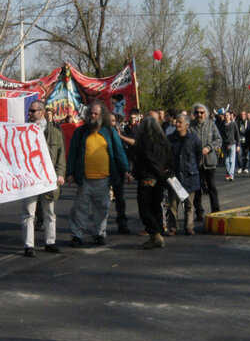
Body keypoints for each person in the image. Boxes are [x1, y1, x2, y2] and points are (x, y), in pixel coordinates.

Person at [65, 102, 130, 246]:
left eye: (96, 114)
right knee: (80, 210)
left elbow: (119, 153)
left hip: (104, 180)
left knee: (102, 209)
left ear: (102, 116)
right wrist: (69, 173)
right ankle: (77, 235)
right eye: (91, 113)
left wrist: (126, 171)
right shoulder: (80, 132)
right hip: (85, 180)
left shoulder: (110, 132)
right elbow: (73, 153)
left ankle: (99, 234)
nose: (93, 116)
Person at [22, 100, 66, 257]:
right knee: (29, 213)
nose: (30, 113)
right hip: (30, 177)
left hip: (48, 177)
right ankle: (29, 245)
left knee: (49, 213)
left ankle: (50, 242)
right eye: (30, 111)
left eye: (33, 111)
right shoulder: (24, 130)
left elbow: (61, 156)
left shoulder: (55, 132)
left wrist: (60, 174)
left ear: (41, 112)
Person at [133, 113, 173, 248]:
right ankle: (158, 232)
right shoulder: (164, 141)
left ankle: (155, 234)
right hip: (160, 178)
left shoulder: (145, 142)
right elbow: (168, 160)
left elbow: (148, 160)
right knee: (156, 205)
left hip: (148, 178)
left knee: (145, 207)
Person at [167, 114, 202, 235]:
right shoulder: (170, 139)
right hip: (174, 176)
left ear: (186, 125)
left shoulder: (194, 139)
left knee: (189, 204)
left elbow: (198, 155)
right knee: (173, 204)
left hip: (189, 176)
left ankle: (189, 227)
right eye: (177, 122)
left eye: (180, 122)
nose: (177, 124)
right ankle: (172, 227)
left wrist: (193, 167)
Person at [190, 103, 221, 221]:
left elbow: (218, 140)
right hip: (196, 163)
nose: (199, 115)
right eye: (197, 112)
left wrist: (209, 147)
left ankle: (216, 211)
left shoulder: (211, 126)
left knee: (212, 187)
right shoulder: (190, 127)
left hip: (210, 162)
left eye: (202, 112)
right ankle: (199, 212)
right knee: (197, 189)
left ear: (206, 114)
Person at [221, 111, 240, 181]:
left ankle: (231, 174)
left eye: (228, 115)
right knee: (226, 161)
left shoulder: (234, 124)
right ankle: (228, 173)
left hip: (232, 144)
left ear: (230, 116)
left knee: (232, 160)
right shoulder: (222, 125)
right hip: (224, 145)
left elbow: (237, 135)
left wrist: (238, 145)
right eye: (225, 115)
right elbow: (220, 135)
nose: (226, 117)